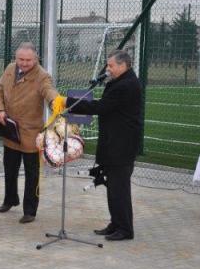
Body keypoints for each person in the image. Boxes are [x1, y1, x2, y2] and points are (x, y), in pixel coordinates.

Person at [60, 50, 142, 241]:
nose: (108, 69)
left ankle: (125, 229)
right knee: (112, 186)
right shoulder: (119, 81)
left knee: (119, 189)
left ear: (123, 65)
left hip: (122, 146)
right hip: (113, 144)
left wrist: (68, 102)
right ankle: (116, 223)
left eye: (111, 65)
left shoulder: (126, 85)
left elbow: (101, 107)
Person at [0, 42, 58, 223]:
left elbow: (49, 91)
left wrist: (56, 102)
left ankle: (30, 211)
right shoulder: (10, 68)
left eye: (28, 60)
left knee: (32, 174)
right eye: (20, 59)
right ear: (16, 58)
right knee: (9, 169)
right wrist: (0, 110)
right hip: (10, 129)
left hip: (31, 133)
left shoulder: (42, 76)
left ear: (36, 58)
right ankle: (10, 199)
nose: (24, 63)